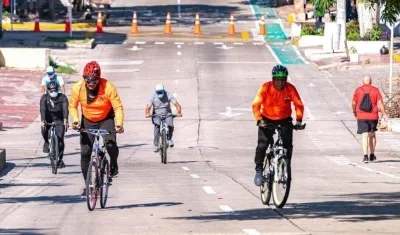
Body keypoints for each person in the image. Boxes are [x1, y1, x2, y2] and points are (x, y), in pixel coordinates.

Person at [69, 61, 125, 198]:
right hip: (87, 120)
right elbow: (72, 106)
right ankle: (88, 185)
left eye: (94, 81)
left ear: (98, 78)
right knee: (85, 152)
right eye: (87, 81)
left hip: (106, 118)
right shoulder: (78, 88)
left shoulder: (108, 87)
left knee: (110, 143)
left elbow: (117, 107)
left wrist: (118, 124)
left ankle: (113, 163)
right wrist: (75, 120)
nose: (90, 84)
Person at [251, 65, 305, 186]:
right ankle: (259, 170)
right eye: (277, 79)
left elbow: (298, 105)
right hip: (266, 119)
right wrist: (259, 119)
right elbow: (256, 104)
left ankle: (286, 166)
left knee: (287, 145)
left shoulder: (290, 88)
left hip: (284, 119)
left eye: (283, 79)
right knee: (262, 144)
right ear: (273, 79)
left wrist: (299, 121)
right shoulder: (265, 87)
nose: (280, 83)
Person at [352, 75, 388, 163]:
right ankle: (372, 154)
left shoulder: (358, 90)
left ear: (362, 82)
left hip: (361, 116)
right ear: (371, 81)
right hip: (373, 116)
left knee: (364, 135)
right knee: (372, 135)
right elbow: (380, 102)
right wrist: (384, 114)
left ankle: (365, 156)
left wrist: (354, 112)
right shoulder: (375, 90)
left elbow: (353, 103)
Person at [40, 81, 69, 168]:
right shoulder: (44, 98)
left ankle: (60, 159)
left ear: (58, 89)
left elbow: (65, 109)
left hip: (59, 119)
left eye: (55, 90)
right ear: (48, 91)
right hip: (48, 118)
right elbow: (42, 110)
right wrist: (43, 120)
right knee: (44, 129)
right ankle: (46, 142)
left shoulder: (63, 97)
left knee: (60, 139)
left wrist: (65, 120)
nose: (53, 92)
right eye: (51, 91)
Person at [145, 84, 182, 152]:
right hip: (157, 115)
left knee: (170, 125)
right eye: (158, 92)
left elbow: (177, 105)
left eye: (161, 92)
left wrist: (179, 112)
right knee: (157, 126)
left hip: (167, 114)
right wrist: (147, 113)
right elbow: (148, 107)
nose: (159, 93)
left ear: (163, 90)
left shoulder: (168, 94)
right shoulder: (153, 96)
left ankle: (169, 139)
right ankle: (156, 145)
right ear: (156, 92)